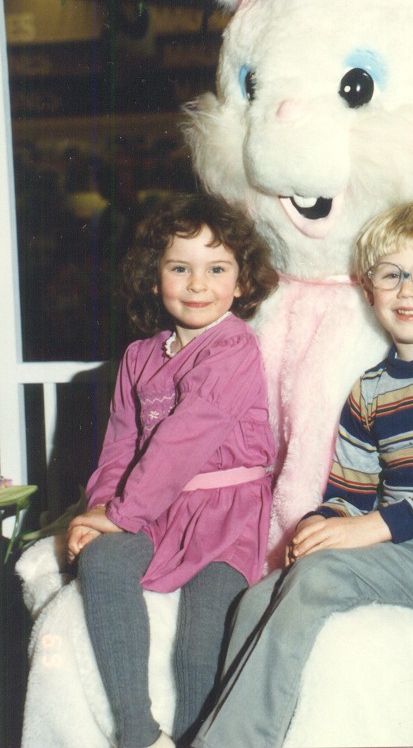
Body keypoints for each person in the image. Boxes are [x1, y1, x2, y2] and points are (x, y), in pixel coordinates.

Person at [192, 201, 413, 748]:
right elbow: (348, 493)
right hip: (395, 549)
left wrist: (367, 529)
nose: (407, 290)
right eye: (391, 275)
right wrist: (319, 525)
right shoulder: (369, 390)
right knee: (254, 599)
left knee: (320, 578)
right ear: (369, 289)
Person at [66, 192, 279, 748]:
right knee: (102, 560)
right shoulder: (139, 356)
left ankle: (193, 739)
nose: (197, 284)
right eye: (180, 268)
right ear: (154, 276)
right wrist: (100, 511)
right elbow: (121, 444)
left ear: (242, 282)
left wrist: (123, 513)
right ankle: (137, 731)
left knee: (200, 640)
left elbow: (183, 442)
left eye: (217, 269)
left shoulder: (233, 348)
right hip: (154, 508)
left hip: (226, 515)